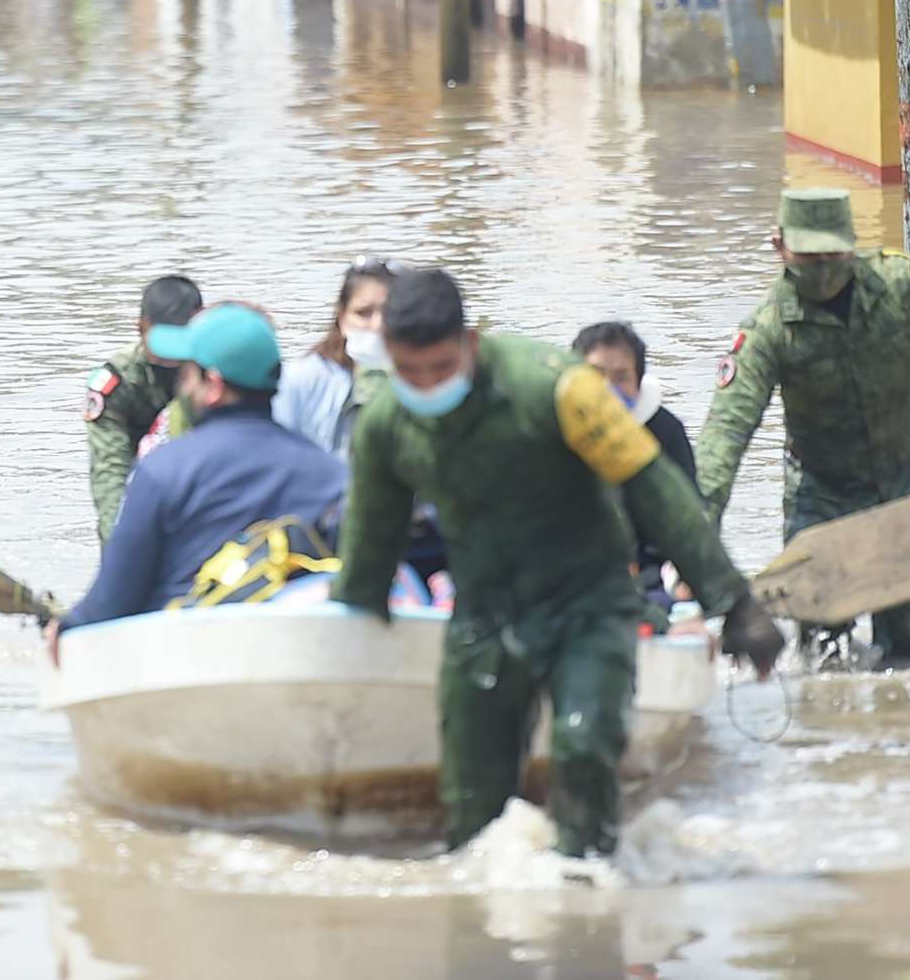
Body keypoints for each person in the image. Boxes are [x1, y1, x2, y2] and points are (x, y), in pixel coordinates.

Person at [329, 269, 783, 858]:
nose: (425, 385)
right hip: (486, 613)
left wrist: (734, 602)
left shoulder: (559, 388)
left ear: (469, 343)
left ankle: (589, 898)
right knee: (470, 790)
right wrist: (345, 642)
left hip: (587, 601)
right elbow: (369, 543)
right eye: (409, 371)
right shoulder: (388, 422)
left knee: (582, 748)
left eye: (439, 369)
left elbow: (656, 490)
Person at [695, 188, 910, 664]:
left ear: (851, 243)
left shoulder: (906, 282)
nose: (823, 267)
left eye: (833, 254)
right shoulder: (767, 331)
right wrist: (695, 535)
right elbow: (725, 437)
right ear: (779, 247)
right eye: (809, 255)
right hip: (824, 501)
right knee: (825, 657)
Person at [52, 304, 346, 649]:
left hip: (184, 654)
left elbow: (111, 601)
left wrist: (65, 627)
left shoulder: (163, 470)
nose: (180, 383)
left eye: (187, 372)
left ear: (213, 384)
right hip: (299, 649)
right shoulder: (331, 473)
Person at [573, 321, 695, 611]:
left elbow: (689, 519)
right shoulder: (549, 428)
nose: (607, 389)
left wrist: (686, 583)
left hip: (647, 576)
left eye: (620, 377)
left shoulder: (664, 432)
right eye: (595, 375)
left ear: (638, 384)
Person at [85, 276, 204, 542]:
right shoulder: (119, 383)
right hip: (142, 491)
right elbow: (110, 468)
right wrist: (120, 543)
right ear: (141, 328)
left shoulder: (220, 374)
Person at [273, 256, 399, 458]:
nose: (377, 325)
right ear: (342, 318)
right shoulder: (301, 380)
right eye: (363, 313)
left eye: (390, 312)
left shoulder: (424, 382)